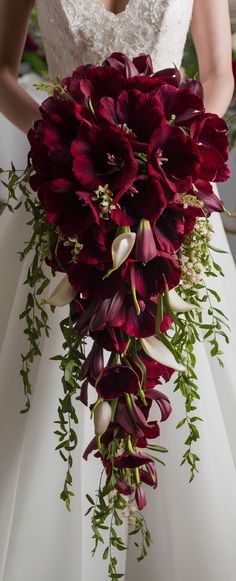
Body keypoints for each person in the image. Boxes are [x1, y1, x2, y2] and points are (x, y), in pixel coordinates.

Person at [0, 1, 236, 580]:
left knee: (181, 388)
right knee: (53, 374)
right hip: (65, 196)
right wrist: (56, 139)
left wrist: (172, 147)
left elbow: (218, 74)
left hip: (166, 199)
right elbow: (1, 70)